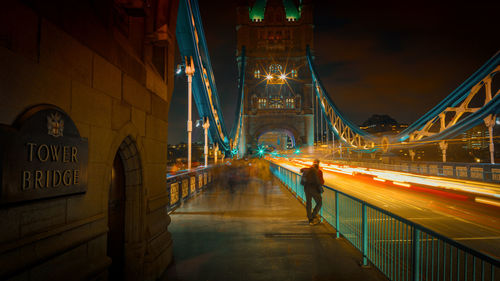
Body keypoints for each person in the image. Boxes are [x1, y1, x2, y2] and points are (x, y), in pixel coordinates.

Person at [300, 159, 324, 225]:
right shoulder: (319, 172)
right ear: (318, 164)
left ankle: (310, 219)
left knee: (308, 203)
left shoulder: (307, 170)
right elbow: (321, 182)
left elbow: (302, 169)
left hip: (306, 188)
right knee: (319, 202)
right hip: (314, 189)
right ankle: (313, 215)